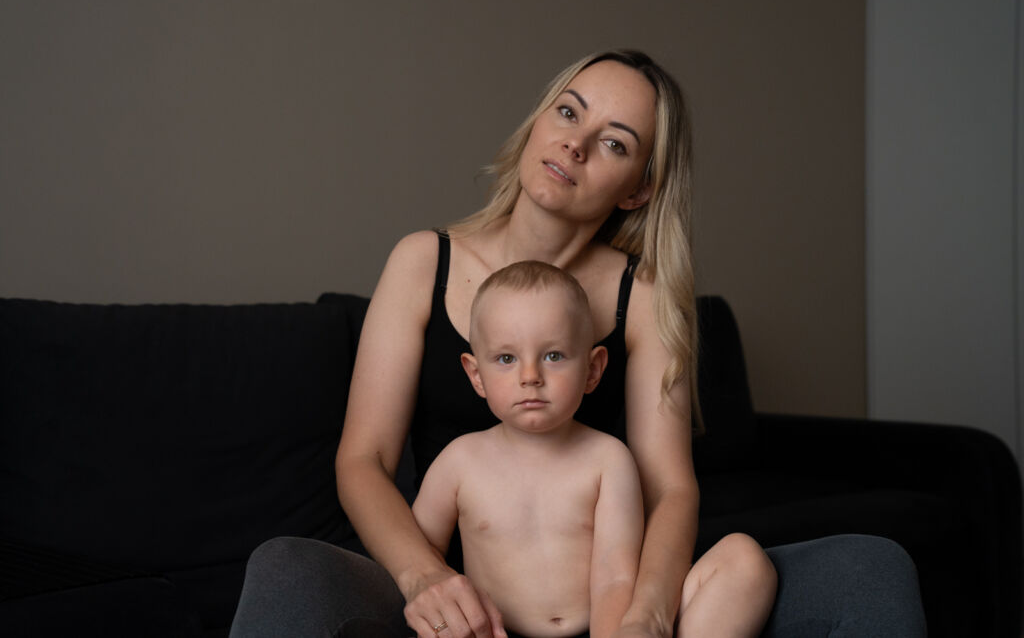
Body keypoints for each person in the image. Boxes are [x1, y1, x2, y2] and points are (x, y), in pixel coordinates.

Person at [230, 49, 926, 638]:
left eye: (615, 142)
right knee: (286, 567)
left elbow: (669, 487)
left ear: (638, 190)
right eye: (568, 112)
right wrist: (426, 579)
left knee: (870, 567)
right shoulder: (422, 261)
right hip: (455, 596)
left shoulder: (643, 293)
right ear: (539, 121)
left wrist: (648, 612)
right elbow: (363, 461)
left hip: (606, 597)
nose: (576, 143)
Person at [412, 259, 755, 638]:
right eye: (507, 359)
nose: (530, 377)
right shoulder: (459, 462)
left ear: (593, 369)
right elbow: (422, 555)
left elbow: (616, 576)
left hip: (603, 629)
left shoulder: (608, 460)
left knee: (745, 559)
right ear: (476, 375)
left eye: (553, 356)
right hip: (496, 632)